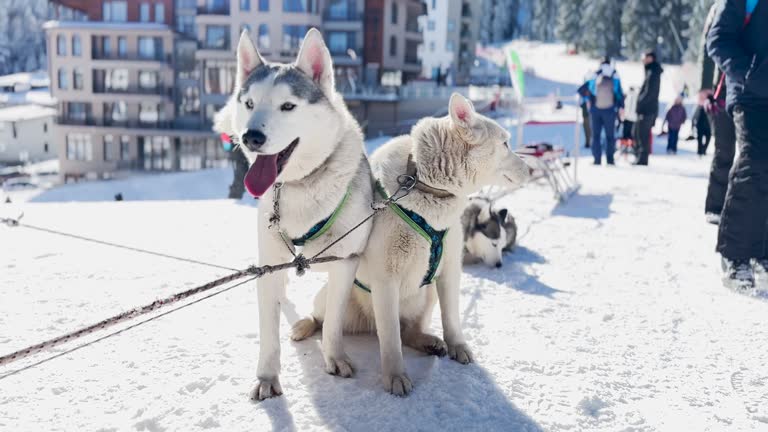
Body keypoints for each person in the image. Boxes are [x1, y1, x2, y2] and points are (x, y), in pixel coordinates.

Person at [707, 0, 767, 290]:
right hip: (749, 95)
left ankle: (762, 252)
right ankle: (734, 255)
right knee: (754, 161)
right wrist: (749, 72)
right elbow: (717, 39)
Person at [702, 4, 737, 225]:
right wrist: (705, 85)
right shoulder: (719, 7)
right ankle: (715, 206)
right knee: (724, 148)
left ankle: (740, 209)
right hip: (721, 88)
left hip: (749, 87)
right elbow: (706, 47)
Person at [578, 60, 625, 165]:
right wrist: (620, 106)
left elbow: (583, 90)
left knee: (596, 136)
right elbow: (619, 93)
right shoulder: (614, 75)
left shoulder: (595, 75)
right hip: (610, 110)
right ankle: (610, 160)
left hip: (596, 110)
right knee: (610, 136)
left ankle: (597, 159)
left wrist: (588, 102)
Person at [633, 51, 663, 165]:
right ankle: (639, 157)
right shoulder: (649, 70)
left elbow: (649, 92)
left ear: (651, 58)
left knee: (643, 135)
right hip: (646, 109)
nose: (643, 60)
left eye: (645, 57)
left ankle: (642, 159)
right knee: (637, 132)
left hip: (647, 109)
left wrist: (640, 102)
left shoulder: (653, 72)